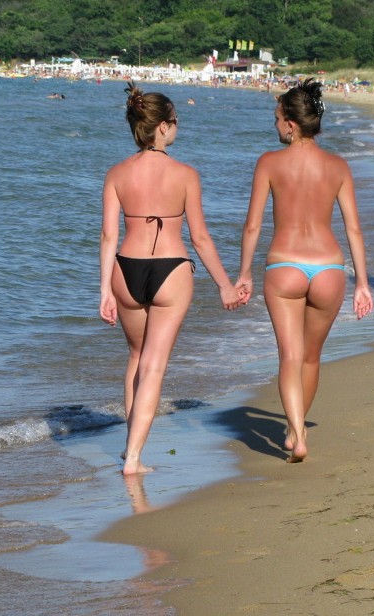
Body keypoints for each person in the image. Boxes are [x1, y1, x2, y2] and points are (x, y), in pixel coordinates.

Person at [100, 82, 243, 474]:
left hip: (124, 270)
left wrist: (103, 292)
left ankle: (132, 448)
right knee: (155, 366)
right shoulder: (185, 175)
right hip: (171, 271)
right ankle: (133, 458)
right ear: (162, 127)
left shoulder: (116, 173)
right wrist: (225, 285)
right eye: (175, 121)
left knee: (135, 358)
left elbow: (108, 235)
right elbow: (199, 237)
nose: (177, 127)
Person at [236, 79, 373, 463]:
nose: (275, 125)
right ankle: (295, 430)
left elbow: (252, 226)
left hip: (284, 267)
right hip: (329, 269)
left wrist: (244, 274)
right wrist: (362, 282)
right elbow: (354, 229)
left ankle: (297, 434)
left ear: (292, 125)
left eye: (277, 118)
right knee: (311, 358)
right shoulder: (338, 166)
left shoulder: (269, 163)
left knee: (290, 357)